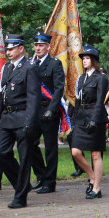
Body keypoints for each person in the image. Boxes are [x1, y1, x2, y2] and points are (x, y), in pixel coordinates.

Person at [0, 34, 41, 209]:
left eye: (11, 48)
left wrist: (30, 122)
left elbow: (33, 98)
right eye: (7, 49)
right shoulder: (7, 69)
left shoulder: (29, 68)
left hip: (23, 117)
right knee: (0, 154)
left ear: (21, 49)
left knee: (25, 158)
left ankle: (20, 196)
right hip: (6, 119)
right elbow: (2, 96)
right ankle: (22, 185)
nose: (8, 52)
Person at [69, 46, 107, 199]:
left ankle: (97, 188)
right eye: (83, 58)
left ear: (94, 60)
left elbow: (100, 101)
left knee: (95, 154)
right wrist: (73, 118)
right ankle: (92, 177)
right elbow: (78, 101)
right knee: (75, 152)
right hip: (81, 117)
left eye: (87, 58)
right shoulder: (82, 78)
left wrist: (95, 119)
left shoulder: (101, 77)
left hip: (95, 117)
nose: (84, 61)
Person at [29, 32, 65, 194]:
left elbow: (58, 89)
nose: (38, 48)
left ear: (48, 47)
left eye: (41, 45)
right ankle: (41, 175)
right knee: (29, 144)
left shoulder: (54, 64)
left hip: (49, 110)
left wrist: (51, 109)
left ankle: (50, 182)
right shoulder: (30, 63)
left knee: (50, 148)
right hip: (33, 110)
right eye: (36, 45)